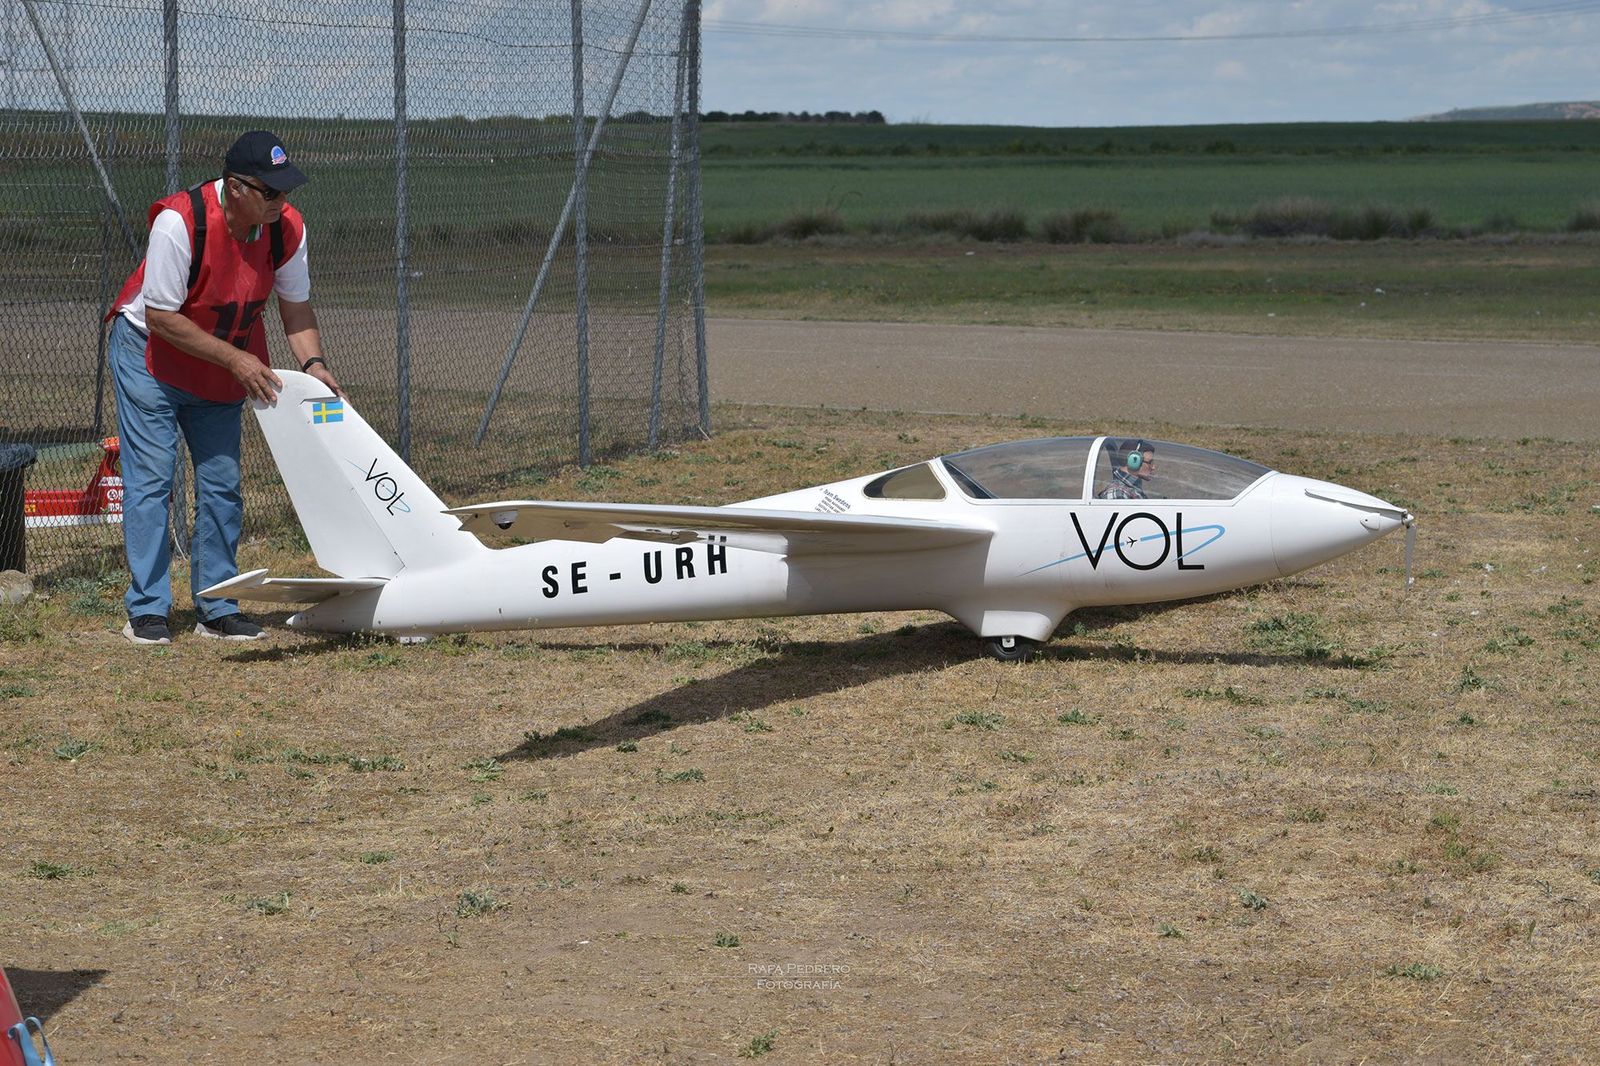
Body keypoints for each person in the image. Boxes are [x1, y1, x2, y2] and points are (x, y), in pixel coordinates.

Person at [107, 130, 343, 645]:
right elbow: (162, 317)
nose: (284, 202)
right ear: (236, 188)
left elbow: (295, 306)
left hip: (219, 362)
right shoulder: (179, 223)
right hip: (151, 357)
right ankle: (147, 610)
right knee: (153, 480)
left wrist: (315, 362)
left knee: (221, 484)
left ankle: (217, 606)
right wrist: (238, 358)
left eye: (287, 190)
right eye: (272, 192)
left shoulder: (286, 229)